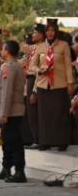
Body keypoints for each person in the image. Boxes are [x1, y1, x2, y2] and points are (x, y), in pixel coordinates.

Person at [30, 19, 75, 152]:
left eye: (52, 30)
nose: (50, 33)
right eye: (48, 30)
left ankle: (62, 141)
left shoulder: (63, 45)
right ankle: (45, 141)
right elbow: (32, 65)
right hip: (43, 85)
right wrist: (39, 70)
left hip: (59, 84)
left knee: (60, 115)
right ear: (45, 32)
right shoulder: (39, 47)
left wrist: (70, 83)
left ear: (56, 32)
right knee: (44, 115)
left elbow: (68, 66)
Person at [0, 40, 27, 183]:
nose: (1, 51)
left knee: (14, 142)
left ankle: (19, 171)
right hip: (12, 109)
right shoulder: (16, 65)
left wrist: (4, 113)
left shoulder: (9, 67)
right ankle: (6, 168)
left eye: (3, 49)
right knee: (7, 141)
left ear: (7, 51)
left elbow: (7, 91)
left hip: (11, 111)